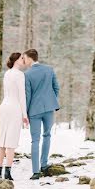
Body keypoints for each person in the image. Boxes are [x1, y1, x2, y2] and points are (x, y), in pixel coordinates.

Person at [23, 48, 60, 180]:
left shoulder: (27, 74)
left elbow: (27, 95)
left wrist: (25, 113)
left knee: (35, 140)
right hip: (49, 108)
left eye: (25, 58)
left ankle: (36, 171)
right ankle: (44, 165)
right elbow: (56, 88)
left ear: (30, 58)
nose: (24, 61)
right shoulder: (49, 69)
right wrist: (52, 101)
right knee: (47, 135)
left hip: (34, 110)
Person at [0, 52, 29, 181]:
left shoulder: (7, 73)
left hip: (4, 106)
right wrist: (24, 114)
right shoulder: (20, 75)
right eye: (21, 58)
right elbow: (22, 96)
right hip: (14, 107)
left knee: (2, 141)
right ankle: (7, 172)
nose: (23, 60)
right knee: (11, 142)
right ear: (16, 60)